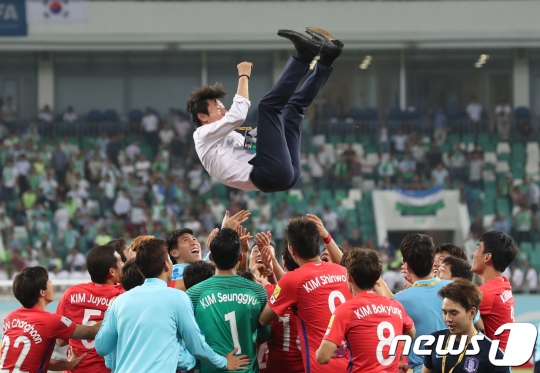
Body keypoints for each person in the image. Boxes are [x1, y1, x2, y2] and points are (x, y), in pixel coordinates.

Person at [187, 27, 342, 192]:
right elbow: (237, 116)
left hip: (287, 174)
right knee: (267, 107)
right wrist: (243, 77)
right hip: (269, 175)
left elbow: (254, 145)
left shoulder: (227, 136)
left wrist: (267, 131)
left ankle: (327, 57)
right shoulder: (202, 135)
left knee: (292, 110)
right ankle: (304, 56)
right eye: (218, 108)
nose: (224, 111)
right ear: (203, 116)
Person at [94, 238, 250, 373]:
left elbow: (102, 348)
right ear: (166, 265)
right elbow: (197, 346)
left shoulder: (120, 302)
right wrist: (223, 362)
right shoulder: (177, 298)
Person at [259, 217, 352, 373]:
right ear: (318, 244)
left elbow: (263, 320)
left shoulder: (292, 279)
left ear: (292, 250)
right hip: (351, 365)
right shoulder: (343, 272)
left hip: (322, 367)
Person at [316, 248, 416, 372]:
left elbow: (323, 357)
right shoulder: (396, 306)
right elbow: (412, 334)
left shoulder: (345, 310)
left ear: (349, 277)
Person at [187, 228, 269, 373]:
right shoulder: (258, 291)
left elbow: (189, 338)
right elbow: (265, 333)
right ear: (240, 258)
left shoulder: (194, 294)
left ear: (211, 257)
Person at [0, 267, 102, 372]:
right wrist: (113, 306)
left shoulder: (10, 318)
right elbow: (92, 332)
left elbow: (30, 360)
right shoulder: (51, 321)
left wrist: (67, 365)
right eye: (48, 280)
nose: (51, 282)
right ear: (42, 292)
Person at [55, 244, 125, 373]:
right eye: (121, 261)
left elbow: (61, 341)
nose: (124, 265)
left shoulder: (71, 293)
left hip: (76, 369)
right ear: (112, 271)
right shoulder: (122, 295)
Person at [393, 234, 452, 373]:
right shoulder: (456, 288)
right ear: (433, 262)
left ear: (406, 266)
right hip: (458, 365)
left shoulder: (398, 300)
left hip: (423, 367)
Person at [422, 280, 509, 373]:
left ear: (472, 313)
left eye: (454, 313)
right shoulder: (435, 340)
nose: (448, 319)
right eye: (445, 312)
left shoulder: (492, 352)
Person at [471, 231, 518, 352]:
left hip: (492, 364)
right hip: (501, 361)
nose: (473, 253)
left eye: (477, 248)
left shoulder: (487, 294)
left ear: (487, 257)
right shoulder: (503, 284)